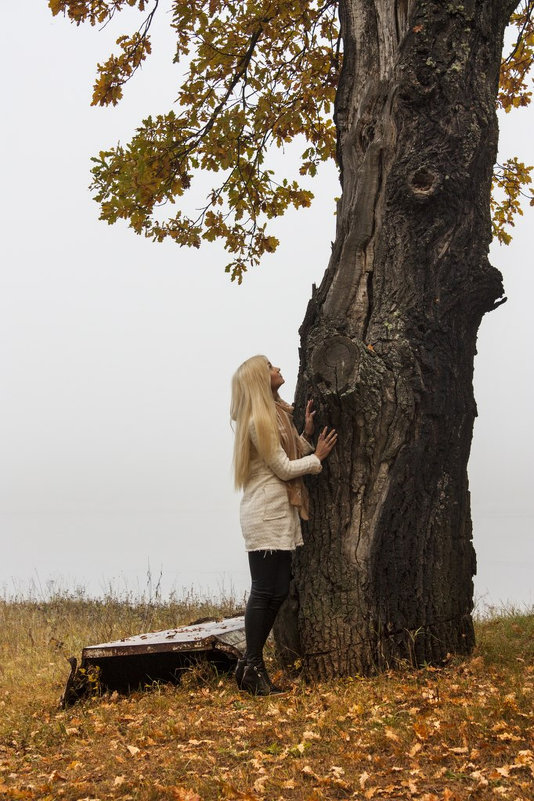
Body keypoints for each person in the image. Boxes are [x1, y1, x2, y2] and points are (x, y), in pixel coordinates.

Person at [230, 355, 337, 696]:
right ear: (261, 379)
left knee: (276, 591)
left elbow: (287, 456)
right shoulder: (256, 421)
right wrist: (317, 458)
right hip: (265, 515)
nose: (278, 370)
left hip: (278, 513)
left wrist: (303, 434)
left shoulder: (276, 416)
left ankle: (248, 666)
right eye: (271, 367)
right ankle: (252, 665)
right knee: (264, 591)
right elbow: (284, 469)